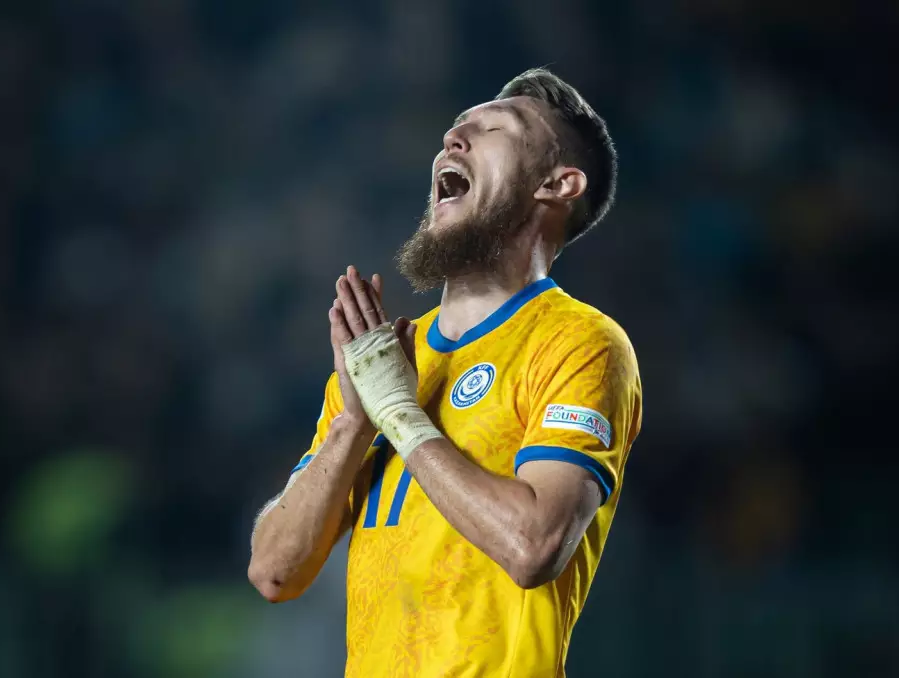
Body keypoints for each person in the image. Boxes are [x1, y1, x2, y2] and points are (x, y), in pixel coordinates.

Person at [248, 67, 642, 678]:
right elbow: (275, 572)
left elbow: (534, 548)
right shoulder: (381, 365)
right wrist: (355, 423)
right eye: (457, 128)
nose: (453, 137)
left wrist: (401, 416)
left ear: (558, 184)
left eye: (495, 129)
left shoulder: (578, 343)